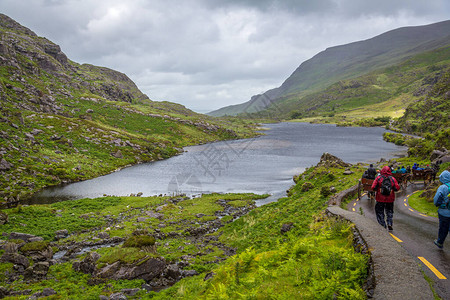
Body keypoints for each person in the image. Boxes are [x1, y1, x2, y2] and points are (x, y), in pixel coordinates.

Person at [371, 166, 400, 230]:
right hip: (390, 199)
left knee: (379, 211)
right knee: (389, 211)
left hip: (380, 198)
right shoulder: (392, 179)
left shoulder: (378, 178)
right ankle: (389, 223)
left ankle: (382, 224)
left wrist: (378, 190)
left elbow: (373, 187)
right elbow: (397, 188)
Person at [433, 170, 450, 249]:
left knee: (443, 228)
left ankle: (440, 242)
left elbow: (437, 199)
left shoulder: (443, 187)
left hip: (444, 212)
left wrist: (437, 204)